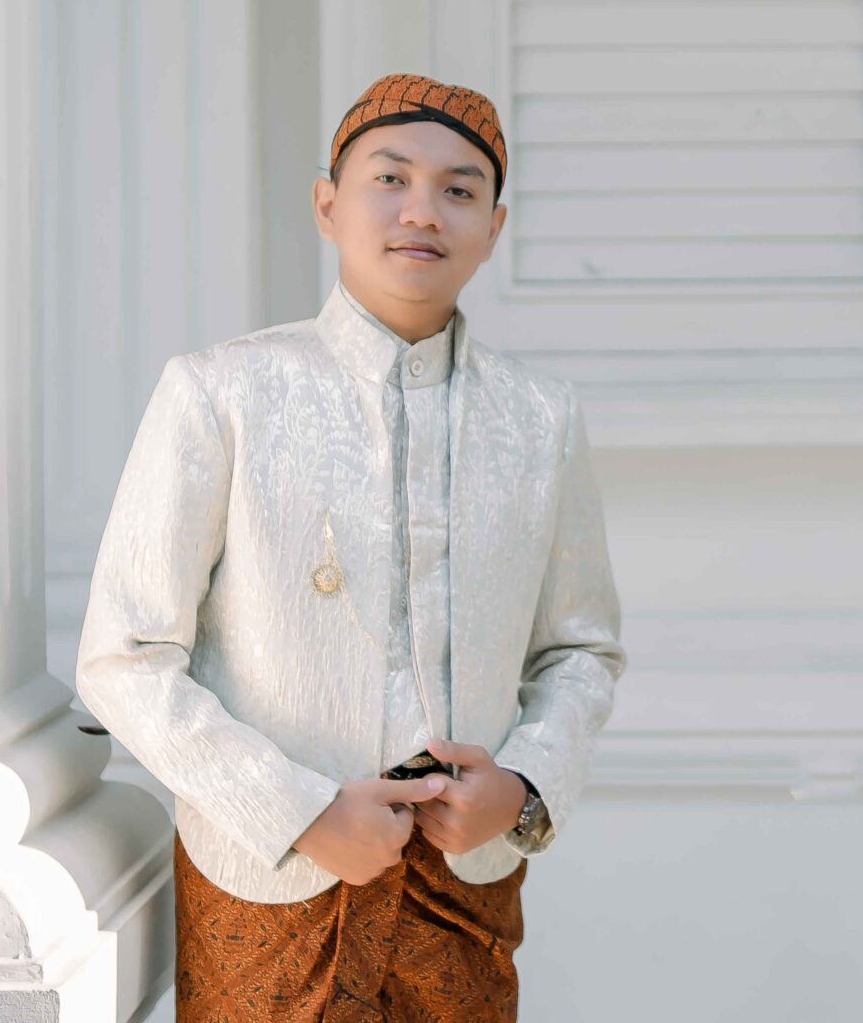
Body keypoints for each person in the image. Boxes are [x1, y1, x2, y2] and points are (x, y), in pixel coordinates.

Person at [75, 72, 627, 1022]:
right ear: (328, 205)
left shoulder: (540, 419)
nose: (423, 210)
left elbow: (580, 649)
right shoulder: (222, 394)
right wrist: (298, 811)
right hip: (268, 889)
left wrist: (524, 787)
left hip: (461, 897)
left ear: (494, 228)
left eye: (459, 189)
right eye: (391, 178)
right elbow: (123, 657)